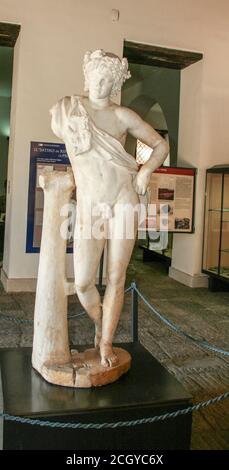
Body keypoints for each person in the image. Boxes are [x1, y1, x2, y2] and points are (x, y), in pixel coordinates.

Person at [50, 50, 169, 367]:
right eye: (97, 76)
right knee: (84, 282)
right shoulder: (68, 108)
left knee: (117, 277)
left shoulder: (122, 116)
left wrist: (145, 171)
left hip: (123, 201)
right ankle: (102, 323)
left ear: (116, 82)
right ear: (87, 76)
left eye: (109, 79)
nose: (101, 84)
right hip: (91, 204)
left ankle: (105, 343)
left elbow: (161, 145)